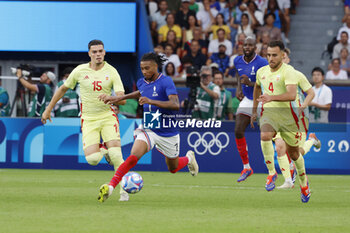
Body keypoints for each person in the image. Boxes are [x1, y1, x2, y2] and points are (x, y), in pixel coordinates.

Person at [97, 52, 199, 203]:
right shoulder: (141, 82)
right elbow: (141, 92)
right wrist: (118, 98)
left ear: (156, 67)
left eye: (147, 68)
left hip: (167, 130)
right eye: (142, 68)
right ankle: (111, 187)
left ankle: (189, 158)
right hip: (150, 126)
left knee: (173, 168)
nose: (144, 71)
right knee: (133, 157)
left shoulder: (166, 82)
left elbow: (175, 104)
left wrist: (150, 101)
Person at [41, 40, 129, 202]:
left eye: (100, 51)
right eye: (94, 52)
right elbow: (62, 89)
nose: (98, 54)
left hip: (107, 117)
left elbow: (122, 99)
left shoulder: (112, 71)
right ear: (89, 54)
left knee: (117, 154)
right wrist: (48, 109)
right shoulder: (80, 71)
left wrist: (111, 98)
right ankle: (105, 150)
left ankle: (124, 191)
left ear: (104, 52)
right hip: (88, 120)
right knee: (93, 159)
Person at [251, 40, 311, 203]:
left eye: (274, 55)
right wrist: (254, 110)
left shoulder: (289, 71)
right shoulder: (261, 71)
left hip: (289, 118)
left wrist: (271, 97)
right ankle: (272, 173)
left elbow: (292, 94)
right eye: (268, 55)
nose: (271, 58)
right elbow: (257, 87)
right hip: (270, 114)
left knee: (294, 153)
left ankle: (304, 184)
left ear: (282, 55)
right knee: (265, 135)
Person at [274, 48, 320, 189]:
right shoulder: (272, 76)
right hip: (281, 117)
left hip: (299, 117)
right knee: (280, 146)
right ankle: (288, 180)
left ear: (287, 59)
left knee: (296, 152)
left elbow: (311, 93)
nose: (281, 60)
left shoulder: (296, 74)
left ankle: (312, 140)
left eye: (284, 57)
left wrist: (303, 105)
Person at [233, 37, 268, 182]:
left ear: (255, 48)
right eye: (245, 44)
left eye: (250, 45)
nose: (247, 47)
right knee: (238, 130)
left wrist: (250, 83)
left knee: (270, 135)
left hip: (262, 99)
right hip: (247, 99)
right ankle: (247, 167)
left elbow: (266, 84)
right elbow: (238, 75)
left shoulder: (262, 63)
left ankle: (288, 164)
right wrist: (239, 88)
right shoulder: (237, 60)